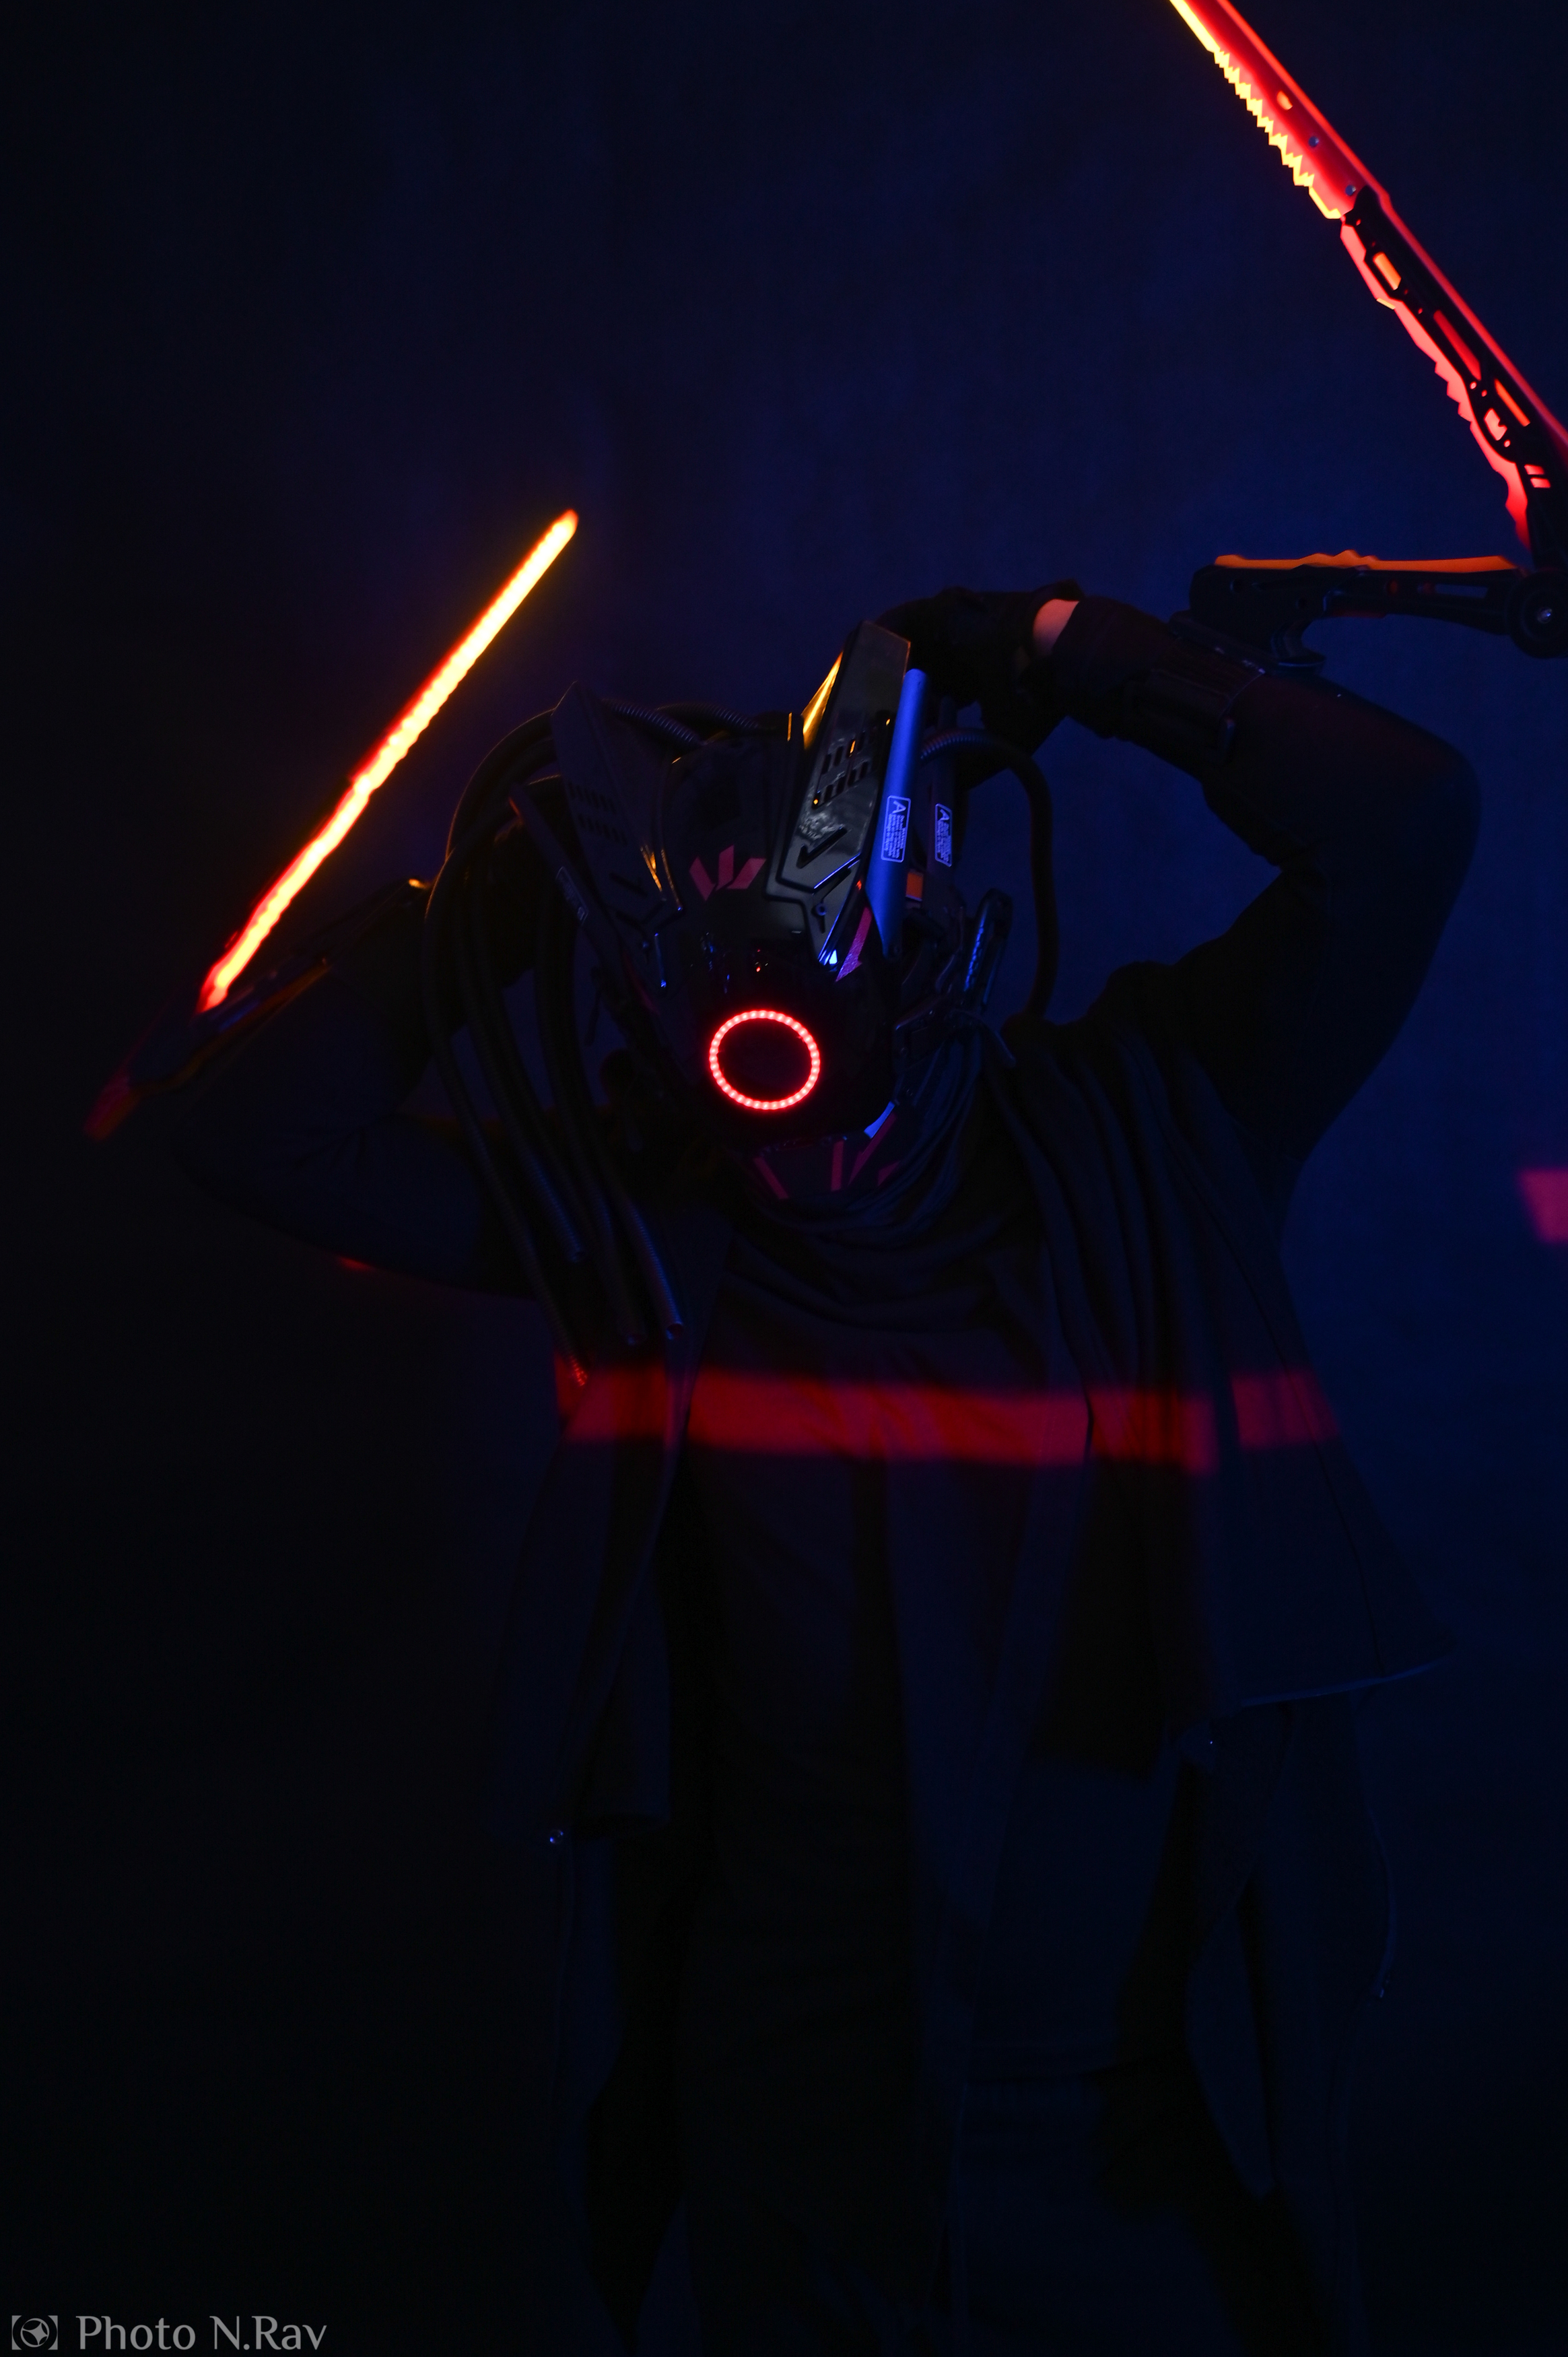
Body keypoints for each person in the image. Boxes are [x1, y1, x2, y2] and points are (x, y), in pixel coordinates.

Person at [166, 583, 1478, 2354]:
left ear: (926, 933)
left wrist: (1073, 646)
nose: (782, 1119)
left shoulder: (1165, 1128)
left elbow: (1405, 820)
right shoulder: (651, 1222)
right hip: (803, 2158)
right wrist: (511, 890)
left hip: (1147, 2152)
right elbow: (256, 1133)